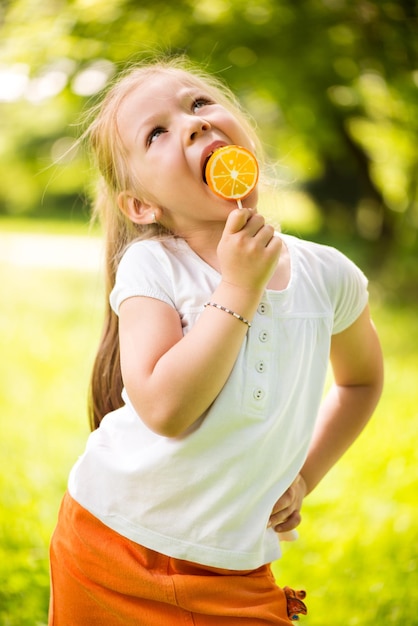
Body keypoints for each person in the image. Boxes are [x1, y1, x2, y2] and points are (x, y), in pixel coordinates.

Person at [48, 56, 384, 625]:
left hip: (235, 567)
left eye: (199, 103)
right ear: (141, 205)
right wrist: (237, 287)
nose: (195, 123)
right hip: (109, 546)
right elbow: (165, 409)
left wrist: (305, 476)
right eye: (157, 132)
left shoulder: (328, 275)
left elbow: (362, 379)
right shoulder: (152, 267)